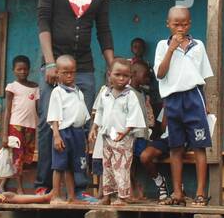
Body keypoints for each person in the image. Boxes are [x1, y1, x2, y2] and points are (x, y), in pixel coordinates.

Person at [35, 0, 115, 191]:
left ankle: (79, 185)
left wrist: (111, 65)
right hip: (55, 62)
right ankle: (44, 183)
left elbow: (103, 30)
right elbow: (43, 21)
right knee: (51, 123)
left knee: (82, 123)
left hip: (85, 66)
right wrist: (50, 64)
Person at [155, 5, 215, 206]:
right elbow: (160, 73)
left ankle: (199, 193)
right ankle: (178, 192)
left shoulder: (198, 46)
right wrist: (171, 49)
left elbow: (202, 78)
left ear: (189, 24)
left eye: (183, 24)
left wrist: (205, 104)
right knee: (175, 147)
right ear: (168, 24)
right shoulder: (162, 46)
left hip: (194, 99)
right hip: (172, 100)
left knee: (199, 146)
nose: (180, 28)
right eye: (175, 24)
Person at [89, 59, 148, 205]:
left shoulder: (130, 95)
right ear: (109, 75)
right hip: (107, 136)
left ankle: (121, 197)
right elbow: (100, 113)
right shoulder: (105, 93)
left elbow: (134, 116)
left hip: (124, 138)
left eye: (125, 76)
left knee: (121, 167)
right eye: (117, 74)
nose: (121, 78)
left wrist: (125, 131)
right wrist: (94, 128)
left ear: (130, 77)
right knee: (107, 166)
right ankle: (107, 196)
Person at [46, 54, 92, 203]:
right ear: (57, 73)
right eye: (65, 72)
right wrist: (56, 136)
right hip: (63, 132)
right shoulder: (57, 92)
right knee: (59, 165)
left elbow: (83, 115)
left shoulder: (78, 91)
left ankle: (72, 197)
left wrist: (85, 137)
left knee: (72, 166)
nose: (70, 76)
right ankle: (56, 196)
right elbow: (54, 117)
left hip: (77, 132)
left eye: (72, 72)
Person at [130, 59, 169, 201]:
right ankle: (131, 189)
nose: (147, 79)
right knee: (130, 163)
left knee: (137, 160)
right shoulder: (128, 93)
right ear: (133, 74)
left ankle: (135, 188)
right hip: (130, 135)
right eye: (145, 76)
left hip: (142, 135)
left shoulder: (142, 93)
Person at [4, 56, 39, 192]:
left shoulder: (35, 87)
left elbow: (38, 108)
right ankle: (19, 188)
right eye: (19, 69)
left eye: (25, 69)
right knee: (17, 157)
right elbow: (7, 111)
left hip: (31, 126)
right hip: (16, 125)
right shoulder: (12, 87)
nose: (22, 72)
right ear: (14, 70)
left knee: (26, 158)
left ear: (29, 70)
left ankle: (13, 185)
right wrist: (5, 134)